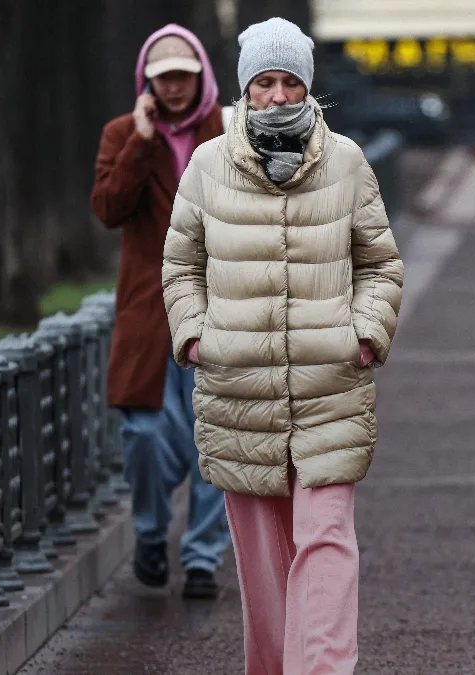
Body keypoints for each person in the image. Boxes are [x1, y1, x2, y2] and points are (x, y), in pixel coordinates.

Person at [162, 17, 404, 674]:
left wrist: (365, 332)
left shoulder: (347, 161)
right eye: (264, 82)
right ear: (246, 88)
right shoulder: (209, 165)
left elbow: (380, 263)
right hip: (239, 392)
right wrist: (194, 334)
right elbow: (181, 263)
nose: (275, 95)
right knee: (265, 570)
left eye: (288, 81)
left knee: (327, 541)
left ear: (307, 87)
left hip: (331, 390)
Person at [91, 24, 230, 598]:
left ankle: (201, 556)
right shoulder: (123, 133)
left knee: (220, 435)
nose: (175, 87)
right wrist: (141, 140)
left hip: (221, 303)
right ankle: (151, 534)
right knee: (145, 432)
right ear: (147, 81)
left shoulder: (227, 130)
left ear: (201, 75)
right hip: (150, 308)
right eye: (163, 77)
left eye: (184, 76)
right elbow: (107, 208)